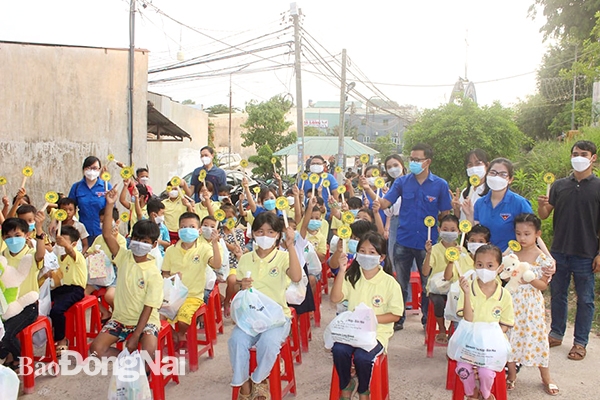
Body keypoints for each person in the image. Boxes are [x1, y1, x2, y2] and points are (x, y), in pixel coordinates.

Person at [362, 143, 452, 330]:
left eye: (417, 160)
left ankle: (427, 319)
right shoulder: (402, 182)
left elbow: (445, 214)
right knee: (400, 283)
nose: (413, 163)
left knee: (428, 284)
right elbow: (387, 202)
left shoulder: (440, 185)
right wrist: (376, 201)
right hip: (403, 239)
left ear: (428, 162)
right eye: (411, 159)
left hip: (427, 244)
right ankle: (398, 318)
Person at [228, 212, 302, 400]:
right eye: (260, 231)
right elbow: (238, 284)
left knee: (268, 343)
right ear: (253, 233)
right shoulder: (246, 258)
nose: (265, 236)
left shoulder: (283, 257)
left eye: (270, 232)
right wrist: (240, 284)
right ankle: (244, 385)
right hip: (250, 317)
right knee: (236, 341)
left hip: (276, 318)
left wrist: (291, 245)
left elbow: (296, 277)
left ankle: (260, 380)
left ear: (278, 235)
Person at [538, 140, 600, 361]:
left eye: (583, 153)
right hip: (559, 251)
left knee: (585, 299)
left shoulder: (598, 187)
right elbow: (545, 214)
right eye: (575, 153)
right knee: (558, 295)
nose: (578, 157)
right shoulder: (559, 185)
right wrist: (541, 204)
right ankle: (556, 333)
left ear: (593, 158)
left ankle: (580, 342)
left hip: (586, 252)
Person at [90, 189, 163, 364]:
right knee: (95, 350)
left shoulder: (153, 273)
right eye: (136, 239)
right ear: (131, 239)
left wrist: (136, 335)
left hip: (146, 322)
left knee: (148, 355)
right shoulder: (124, 257)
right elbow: (107, 234)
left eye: (145, 242)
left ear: (153, 245)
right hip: (120, 319)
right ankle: (130, 362)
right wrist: (109, 204)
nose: (139, 244)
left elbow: (149, 307)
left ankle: (141, 372)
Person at [330, 232, 403, 400]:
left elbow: (395, 315)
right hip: (353, 330)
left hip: (377, 333)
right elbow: (335, 298)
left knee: (363, 357)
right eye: (362, 251)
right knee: (339, 349)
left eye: (372, 252)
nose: (366, 256)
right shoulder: (352, 276)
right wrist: (341, 271)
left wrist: (371, 320)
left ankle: (364, 389)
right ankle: (347, 384)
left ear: (381, 257)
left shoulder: (389, 282)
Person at [505, 213, 558, 395]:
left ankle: (546, 377)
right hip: (511, 303)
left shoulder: (544, 259)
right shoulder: (511, 254)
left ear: (537, 234)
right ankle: (511, 375)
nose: (522, 238)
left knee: (537, 339)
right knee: (510, 338)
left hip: (532, 306)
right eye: (518, 233)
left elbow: (542, 286)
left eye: (527, 234)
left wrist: (530, 279)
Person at [456, 245, 514, 400]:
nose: (484, 269)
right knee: (463, 369)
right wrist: (467, 294)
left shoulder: (504, 295)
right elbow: (468, 318)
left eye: (490, 266)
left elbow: (506, 323)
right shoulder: (468, 288)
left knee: (486, 372)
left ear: (500, 267)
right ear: (474, 265)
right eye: (479, 265)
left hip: (492, 345)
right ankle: (471, 394)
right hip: (469, 341)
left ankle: (486, 394)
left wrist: (492, 338)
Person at [161, 212, 221, 348]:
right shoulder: (171, 250)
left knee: (183, 320)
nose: (187, 229)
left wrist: (215, 244)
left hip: (193, 296)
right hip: (173, 295)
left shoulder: (204, 248)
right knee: (156, 317)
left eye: (192, 226)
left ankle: (180, 334)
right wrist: (172, 279)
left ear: (199, 230)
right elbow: (164, 273)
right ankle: (176, 335)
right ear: (178, 230)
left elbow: (216, 264)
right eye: (183, 227)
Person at [0, 214, 45, 370]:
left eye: (17, 235)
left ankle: (20, 359)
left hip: (28, 307)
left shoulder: (30, 255)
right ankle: (9, 355)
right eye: (8, 237)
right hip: (6, 307)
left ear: (26, 235)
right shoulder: (3, 256)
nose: (13, 240)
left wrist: (39, 229)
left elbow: (41, 254)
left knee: (5, 333)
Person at [422, 215, 473, 344]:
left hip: (456, 287)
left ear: (459, 231)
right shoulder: (434, 249)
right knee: (438, 302)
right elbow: (425, 272)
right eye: (445, 229)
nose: (449, 232)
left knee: (463, 300)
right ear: (439, 230)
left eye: (452, 230)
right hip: (437, 288)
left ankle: (453, 326)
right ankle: (442, 328)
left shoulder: (463, 250)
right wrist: (428, 253)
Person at [470, 158, 533, 251]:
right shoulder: (480, 203)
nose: (497, 177)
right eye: (493, 173)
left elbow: (532, 233)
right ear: (487, 175)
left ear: (510, 179)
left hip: (511, 259)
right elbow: (476, 234)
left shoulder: (520, 203)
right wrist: (469, 214)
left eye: (503, 174)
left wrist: (546, 256)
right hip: (486, 259)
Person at [48, 225, 88, 355]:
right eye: (58, 241)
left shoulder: (77, 256)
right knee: (45, 299)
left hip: (76, 289)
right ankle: (49, 334)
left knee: (57, 310)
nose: (60, 244)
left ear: (74, 243)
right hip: (63, 288)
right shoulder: (60, 258)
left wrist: (66, 245)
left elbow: (70, 250)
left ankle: (62, 340)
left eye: (63, 241)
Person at [85, 207, 124, 322]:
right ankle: (105, 312)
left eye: (106, 222)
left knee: (109, 296)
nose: (103, 224)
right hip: (98, 273)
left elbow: (121, 258)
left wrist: (115, 239)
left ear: (116, 222)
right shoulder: (98, 238)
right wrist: (92, 254)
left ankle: (119, 316)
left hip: (115, 274)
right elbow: (88, 252)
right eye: (101, 222)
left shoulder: (121, 240)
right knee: (83, 294)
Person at [68, 156, 111, 242]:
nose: (91, 171)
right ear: (83, 169)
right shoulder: (76, 187)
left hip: (102, 232)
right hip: (83, 233)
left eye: (95, 168)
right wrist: (56, 221)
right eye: (88, 168)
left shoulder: (106, 187)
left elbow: (111, 210)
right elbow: (68, 208)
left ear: (99, 170)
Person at [382, 154, 406, 272]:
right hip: (394, 223)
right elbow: (388, 212)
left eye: (396, 165)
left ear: (402, 165)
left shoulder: (411, 183)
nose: (393, 169)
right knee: (393, 256)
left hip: (408, 221)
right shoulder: (387, 186)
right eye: (389, 167)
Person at [451, 149, 489, 221]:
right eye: (470, 165)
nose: (474, 168)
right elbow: (460, 219)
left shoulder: (491, 193)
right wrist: (456, 209)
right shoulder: (465, 192)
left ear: (487, 166)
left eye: (478, 163)